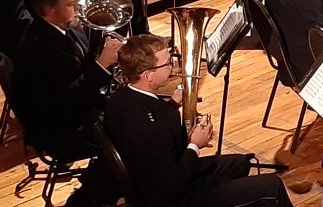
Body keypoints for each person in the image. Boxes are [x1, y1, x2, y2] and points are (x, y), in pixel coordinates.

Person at [105, 34, 294, 206]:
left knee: (240, 162)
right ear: (148, 75)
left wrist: (172, 104)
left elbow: (157, 142)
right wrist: (195, 145)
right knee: (273, 186)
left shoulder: (121, 99)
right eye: (167, 63)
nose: (173, 67)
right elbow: (170, 187)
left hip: (161, 176)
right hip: (177, 197)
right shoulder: (149, 128)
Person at [12, 0, 121, 207]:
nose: (79, 8)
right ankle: (90, 197)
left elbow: (80, 66)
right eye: (72, 5)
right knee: (127, 133)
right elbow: (66, 101)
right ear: (50, 9)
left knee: (131, 114)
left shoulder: (64, 27)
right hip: (60, 129)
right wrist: (102, 65)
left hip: (76, 110)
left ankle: (106, 183)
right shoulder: (40, 48)